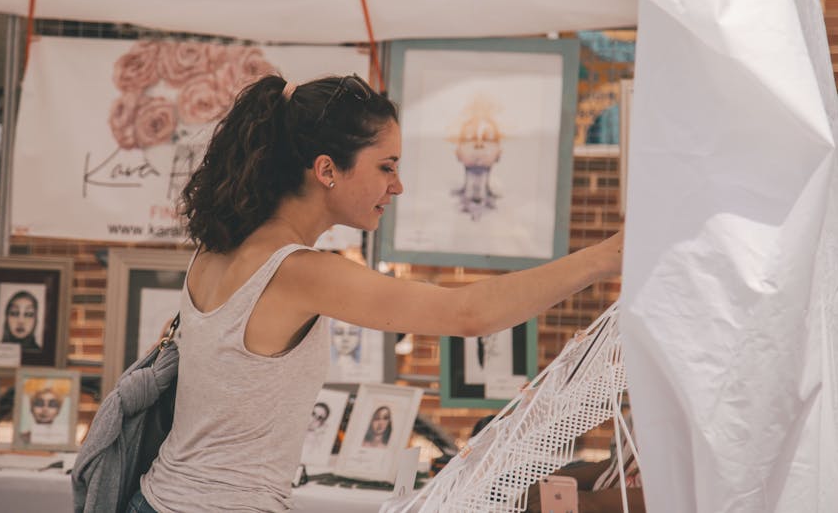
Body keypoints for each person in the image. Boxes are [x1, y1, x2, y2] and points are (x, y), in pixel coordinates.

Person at [133, 74, 623, 513]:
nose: (398, 185)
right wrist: (605, 258)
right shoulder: (299, 271)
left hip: (157, 497)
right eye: (386, 166)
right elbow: (467, 313)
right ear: (327, 170)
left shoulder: (217, 248)